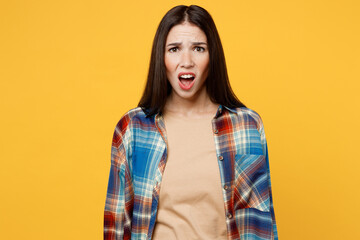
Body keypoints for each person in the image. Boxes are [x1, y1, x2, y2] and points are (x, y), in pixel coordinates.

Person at [104, 5, 278, 240]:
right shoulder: (133, 129)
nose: (186, 61)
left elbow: (261, 226)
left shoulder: (246, 127)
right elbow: (116, 226)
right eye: (174, 49)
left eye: (198, 48)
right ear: (161, 57)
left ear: (212, 56)